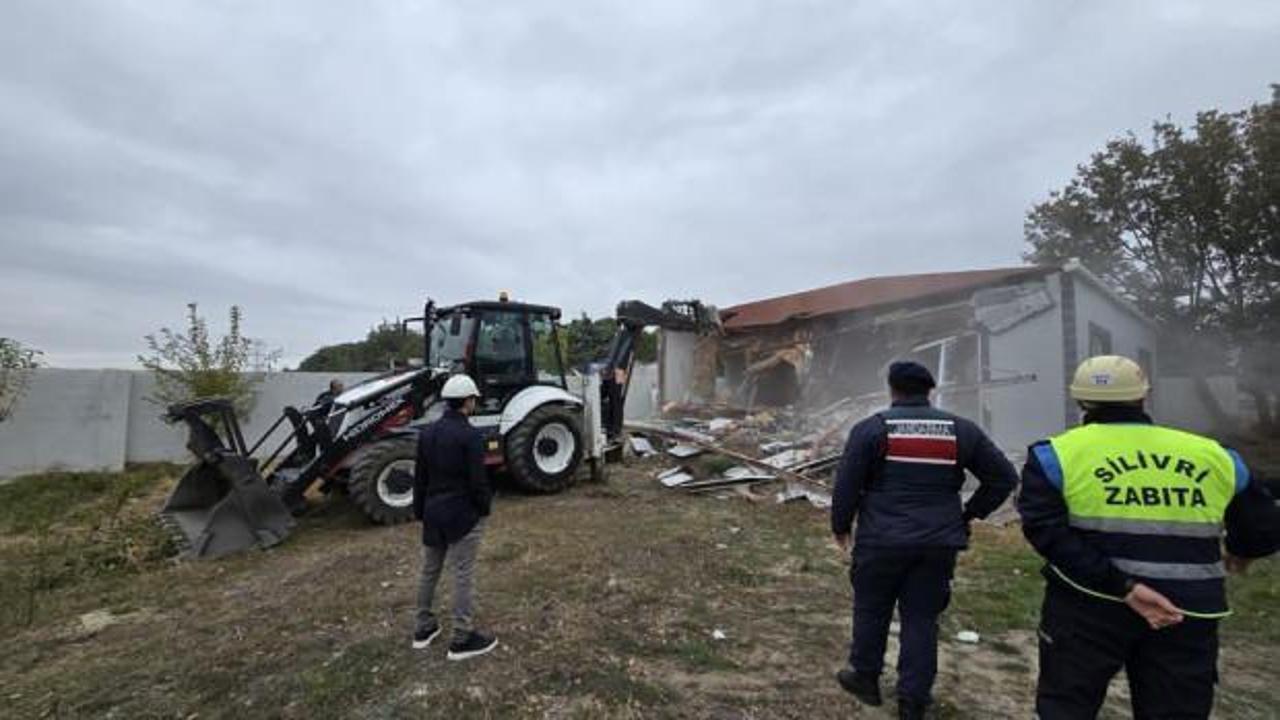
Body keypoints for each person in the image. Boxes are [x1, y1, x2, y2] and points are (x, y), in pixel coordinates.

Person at [1018, 355, 1280, 719]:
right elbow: (1263, 528)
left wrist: (1124, 587)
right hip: (1185, 610)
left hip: (1087, 607)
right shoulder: (1215, 456)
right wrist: (1241, 550)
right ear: (1145, 396)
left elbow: (1046, 533)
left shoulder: (1055, 456)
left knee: (1067, 706)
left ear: (1080, 402)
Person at [831, 361, 1018, 719]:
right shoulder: (961, 431)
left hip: (881, 540)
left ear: (892, 389)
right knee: (921, 618)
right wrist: (968, 513)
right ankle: (914, 700)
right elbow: (1004, 477)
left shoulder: (872, 429)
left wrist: (841, 525)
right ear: (929, 390)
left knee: (872, 607)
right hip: (938, 543)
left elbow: (848, 483)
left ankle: (865, 678)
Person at [411, 374, 498, 661]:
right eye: (474, 399)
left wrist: (420, 511)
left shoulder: (427, 433)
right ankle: (462, 639)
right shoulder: (471, 436)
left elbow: (420, 477)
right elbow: (477, 480)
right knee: (462, 574)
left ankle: (423, 629)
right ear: (469, 401)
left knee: (429, 571)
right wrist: (484, 508)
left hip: (433, 512)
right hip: (461, 514)